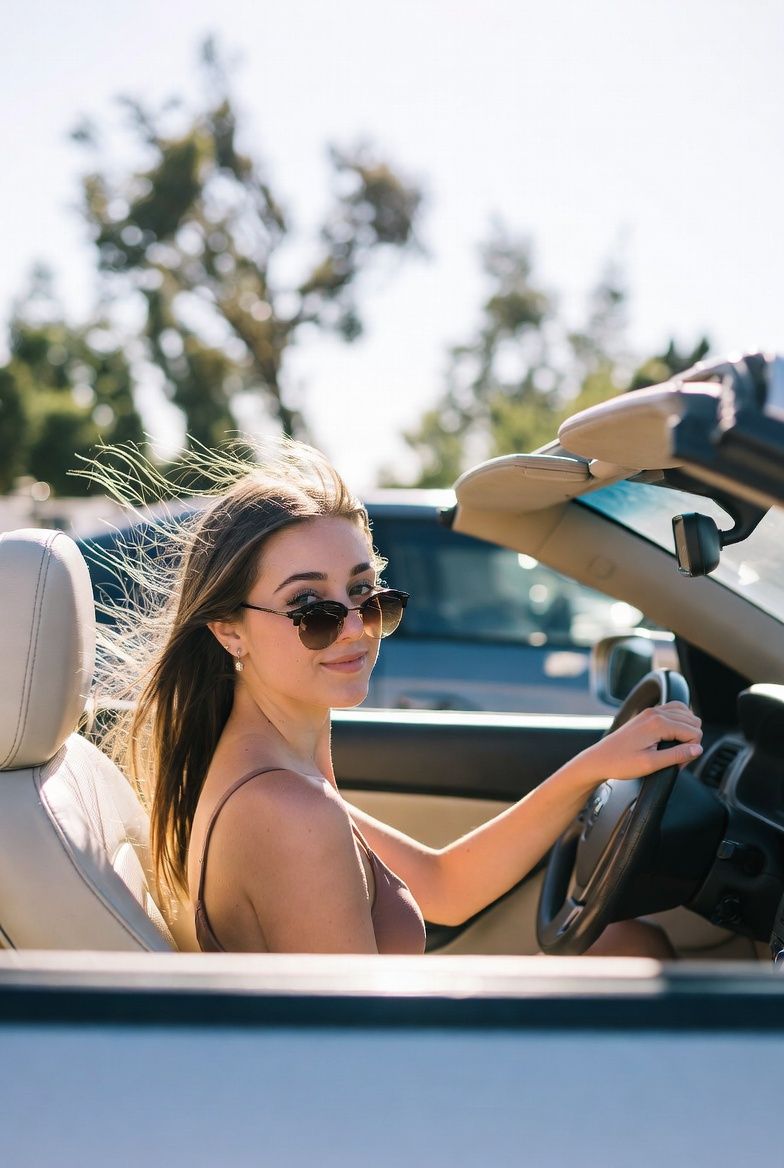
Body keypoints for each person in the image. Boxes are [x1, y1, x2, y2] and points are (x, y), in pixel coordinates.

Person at [93, 439, 703, 956]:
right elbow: (362, 1049)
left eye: (366, 593)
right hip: (388, 1060)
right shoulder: (288, 811)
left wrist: (597, 765)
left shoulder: (276, 774)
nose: (353, 628)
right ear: (229, 631)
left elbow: (445, 886)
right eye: (309, 606)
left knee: (628, 945)